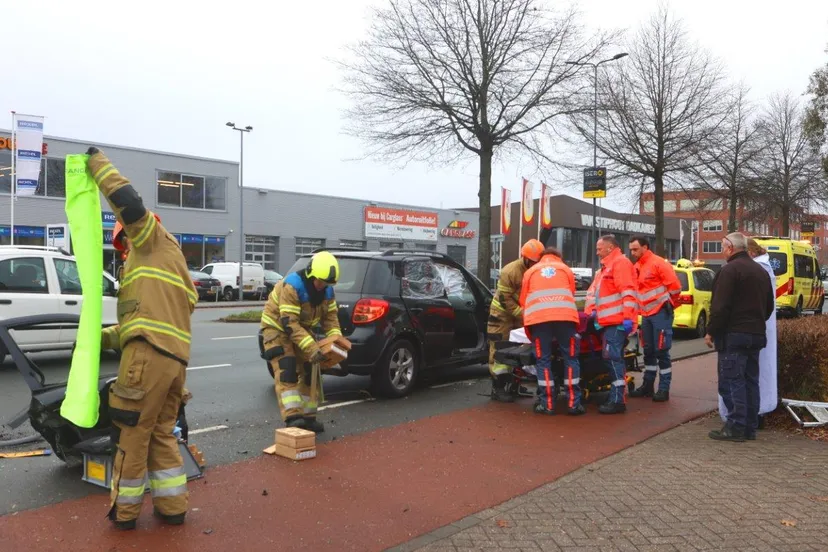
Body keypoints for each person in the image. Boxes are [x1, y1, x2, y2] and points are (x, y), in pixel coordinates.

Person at [86, 147, 197, 530]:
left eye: (124, 242)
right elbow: (145, 322)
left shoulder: (151, 240)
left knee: (131, 436)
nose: (124, 252)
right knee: (162, 434)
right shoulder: (169, 265)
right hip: (174, 364)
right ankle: (172, 506)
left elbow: (128, 202)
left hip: (147, 360)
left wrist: (96, 164)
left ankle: (125, 513)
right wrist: (103, 338)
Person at [260, 251, 342, 432]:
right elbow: (289, 323)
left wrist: (336, 344)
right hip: (277, 330)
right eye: (320, 282)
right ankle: (293, 417)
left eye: (327, 283)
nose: (322, 286)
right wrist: (311, 347)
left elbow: (330, 319)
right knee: (287, 369)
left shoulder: (327, 291)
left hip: (301, 330)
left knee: (311, 370)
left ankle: (308, 417)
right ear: (311, 275)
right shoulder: (292, 286)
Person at [705, 232, 774, 442]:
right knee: (750, 380)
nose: (722, 252)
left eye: (722, 247)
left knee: (732, 380)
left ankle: (736, 426)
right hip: (756, 334)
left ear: (730, 248)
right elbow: (769, 307)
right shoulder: (760, 271)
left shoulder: (729, 271)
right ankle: (750, 427)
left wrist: (711, 331)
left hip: (734, 335)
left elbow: (720, 307)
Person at [519, 246, 585, 416]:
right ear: (558, 256)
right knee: (571, 359)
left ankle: (547, 404)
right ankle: (573, 404)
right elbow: (571, 292)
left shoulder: (531, 272)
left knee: (543, 361)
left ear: (541, 257)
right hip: (565, 319)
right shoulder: (565, 269)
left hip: (539, 321)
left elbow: (523, 300)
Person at [584, 235, 638, 415]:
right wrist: (592, 312)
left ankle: (617, 400)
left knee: (613, 358)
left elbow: (628, 292)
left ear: (609, 248)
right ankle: (616, 397)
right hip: (609, 322)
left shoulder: (620, 264)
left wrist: (628, 318)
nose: (597, 252)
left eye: (599, 248)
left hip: (617, 322)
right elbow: (597, 294)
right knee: (612, 358)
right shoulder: (607, 267)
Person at [487, 239, 545, 402]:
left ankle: (514, 385)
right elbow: (504, 299)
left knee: (520, 349)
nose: (535, 264)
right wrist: (523, 314)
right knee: (500, 348)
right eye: (533, 261)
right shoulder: (510, 271)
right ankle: (498, 387)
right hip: (501, 315)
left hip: (522, 313)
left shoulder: (538, 271)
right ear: (525, 258)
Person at [628, 236, 682, 402]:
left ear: (645, 247)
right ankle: (648, 386)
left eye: (635, 249)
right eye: (631, 250)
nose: (632, 253)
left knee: (661, 351)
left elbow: (675, 288)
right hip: (647, 315)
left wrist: (668, 304)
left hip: (660, 313)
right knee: (649, 351)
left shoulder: (658, 263)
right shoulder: (637, 266)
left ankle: (664, 389)